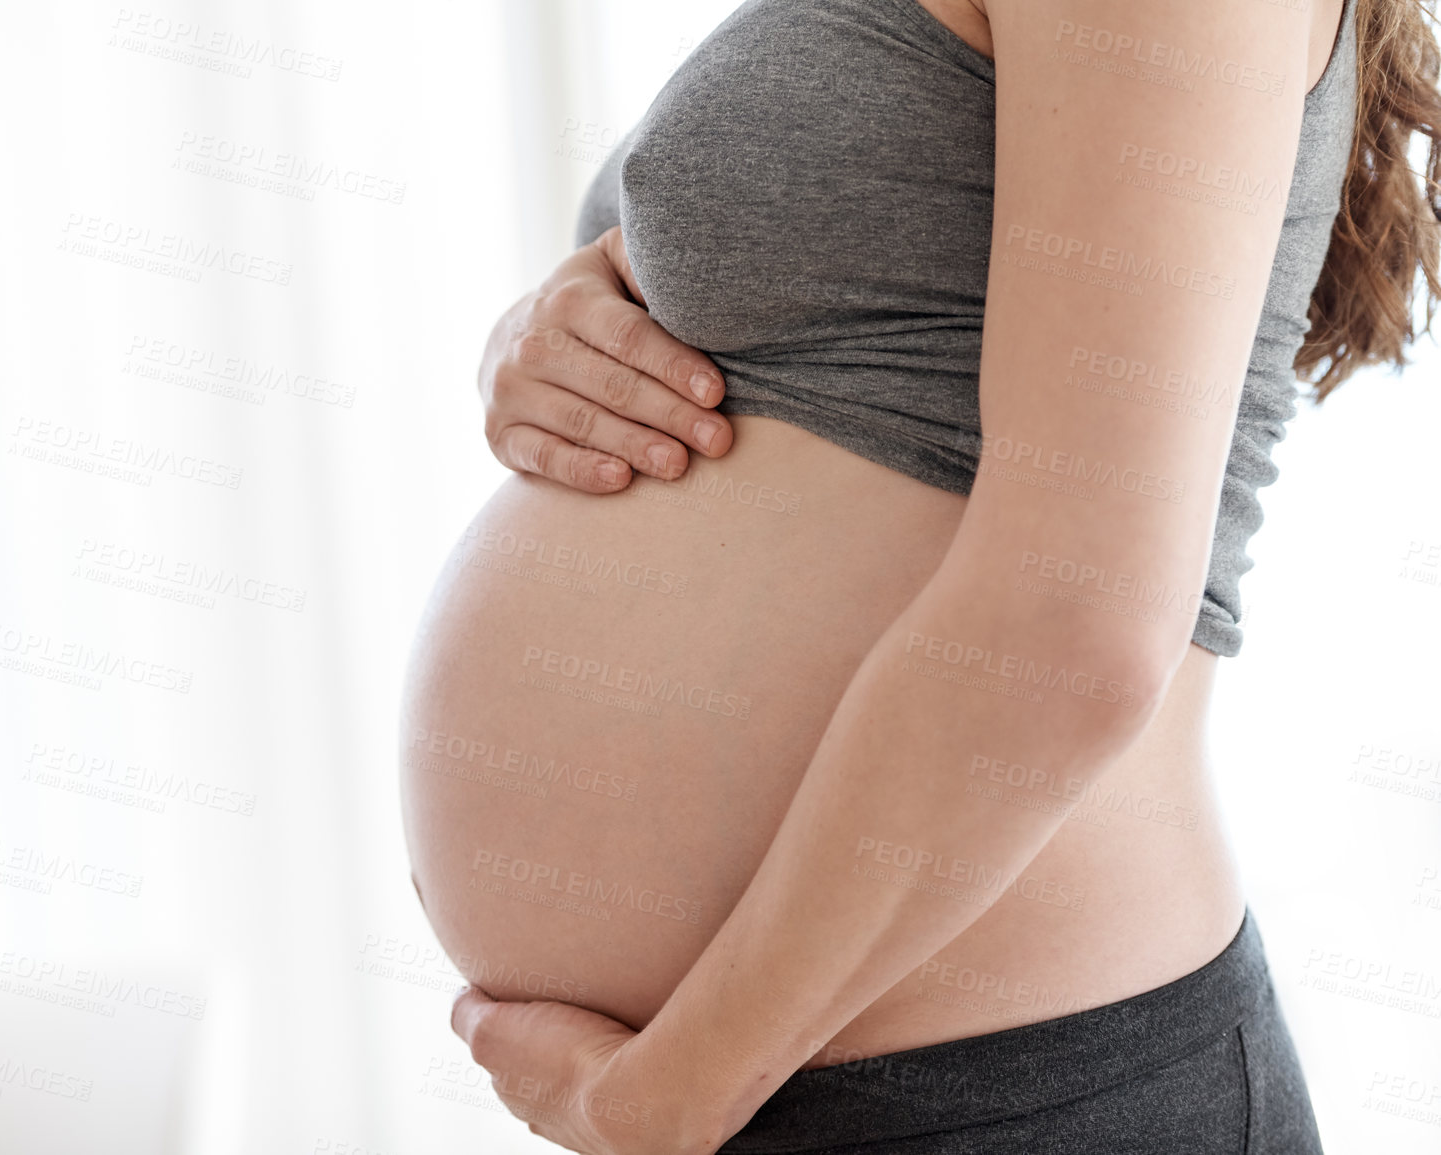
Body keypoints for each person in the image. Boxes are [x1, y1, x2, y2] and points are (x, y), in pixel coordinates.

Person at [403, 0, 1441, 1151]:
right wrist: (550, 328)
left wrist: (664, 1103)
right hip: (757, 1080)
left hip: (996, 1091)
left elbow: (1075, 621)